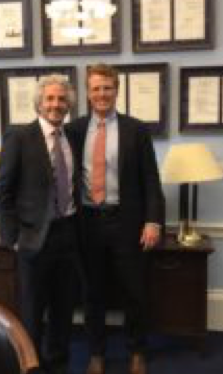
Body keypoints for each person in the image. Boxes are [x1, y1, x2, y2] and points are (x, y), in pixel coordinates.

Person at [66, 63, 165, 374]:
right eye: (96, 88)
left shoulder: (137, 130)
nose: (102, 94)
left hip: (126, 221)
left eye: (107, 88)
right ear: (87, 92)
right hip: (87, 222)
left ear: (117, 90)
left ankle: (137, 351)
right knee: (92, 292)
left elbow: (151, 179)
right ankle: (96, 353)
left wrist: (153, 221)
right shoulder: (74, 130)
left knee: (134, 290)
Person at [0, 74, 80, 374]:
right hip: (32, 239)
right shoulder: (19, 136)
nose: (56, 104)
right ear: (39, 103)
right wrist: (12, 239)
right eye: (50, 99)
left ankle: (58, 363)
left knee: (63, 307)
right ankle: (31, 365)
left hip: (69, 234)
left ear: (69, 104)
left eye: (61, 99)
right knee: (32, 310)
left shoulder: (72, 137)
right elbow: (2, 191)